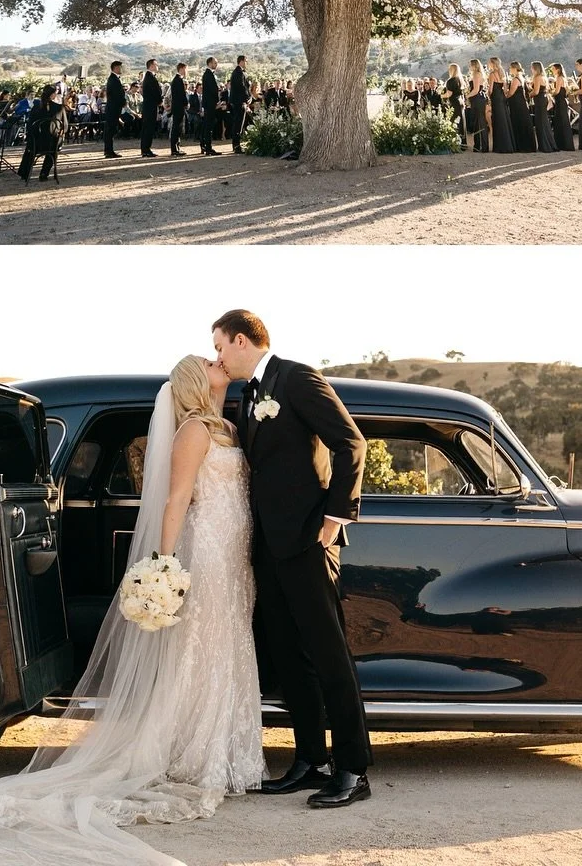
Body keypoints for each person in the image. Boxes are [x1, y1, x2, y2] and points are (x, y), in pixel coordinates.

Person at [0, 355, 264, 866]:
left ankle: (224, 750)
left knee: (228, 641)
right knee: (203, 645)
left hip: (234, 548)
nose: (220, 362)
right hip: (208, 549)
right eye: (210, 361)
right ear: (196, 382)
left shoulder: (226, 427)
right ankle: (196, 754)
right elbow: (176, 501)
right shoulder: (193, 431)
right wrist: (166, 563)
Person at [213, 309, 371, 808]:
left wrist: (334, 519)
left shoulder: (297, 377)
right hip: (269, 546)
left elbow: (351, 443)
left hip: (308, 541)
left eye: (220, 346)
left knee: (329, 656)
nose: (217, 355)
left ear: (241, 340)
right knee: (288, 655)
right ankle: (310, 760)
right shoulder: (248, 394)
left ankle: (351, 768)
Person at [17, 84, 66, 184]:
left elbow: (30, 126)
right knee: (55, 144)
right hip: (52, 143)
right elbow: (64, 126)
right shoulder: (59, 108)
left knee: (30, 148)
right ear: (53, 95)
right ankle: (44, 173)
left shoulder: (35, 108)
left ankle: (24, 173)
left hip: (36, 143)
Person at [505, 62, 535, 151]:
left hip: (517, 104)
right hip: (520, 102)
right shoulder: (521, 77)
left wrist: (504, 96)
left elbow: (511, 93)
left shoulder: (515, 79)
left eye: (510, 68)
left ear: (514, 68)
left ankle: (522, 145)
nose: (509, 69)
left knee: (518, 122)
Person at [486, 57, 514, 153]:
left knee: (497, 120)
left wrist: (488, 96)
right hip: (502, 97)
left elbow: (490, 89)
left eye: (489, 63)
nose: (488, 64)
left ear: (493, 63)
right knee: (504, 118)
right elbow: (505, 89)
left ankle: (500, 145)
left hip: (496, 97)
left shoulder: (492, 74)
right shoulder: (503, 73)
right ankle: (508, 143)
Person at [529, 63, 556, 151]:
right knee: (543, 121)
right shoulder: (543, 77)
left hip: (539, 100)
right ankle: (548, 143)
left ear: (535, 68)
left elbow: (536, 92)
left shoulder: (537, 77)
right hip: (543, 99)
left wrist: (529, 94)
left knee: (540, 122)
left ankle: (545, 145)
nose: (531, 69)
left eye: (532, 68)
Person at [549, 64, 577, 151]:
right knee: (563, 122)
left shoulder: (559, 78)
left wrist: (550, 93)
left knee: (561, 122)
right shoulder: (563, 78)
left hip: (560, 102)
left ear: (557, 69)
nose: (552, 70)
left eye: (553, 69)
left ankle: (562, 144)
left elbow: (557, 91)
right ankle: (565, 143)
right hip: (562, 102)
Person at [139, 59, 163, 158]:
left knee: (148, 128)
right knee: (148, 128)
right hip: (150, 106)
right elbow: (155, 92)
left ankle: (145, 149)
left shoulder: (149, 77)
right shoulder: (149, 77)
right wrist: (159, 101)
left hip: (150, 106)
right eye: (156, 64)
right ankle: (146, 149)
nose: (157, 66)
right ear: (152, 66)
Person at [228, 56, 252, 153]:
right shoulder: (238, 73)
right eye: (246, 61)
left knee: (239, 124)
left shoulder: (239, 72)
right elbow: (242, 87)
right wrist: (247, 98)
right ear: (241, 61)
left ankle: (237, 145)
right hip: (239, 102)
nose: (247, 63)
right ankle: (236, 146)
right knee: (238, 124)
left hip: (239, 101)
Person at [465, 59, 489, 152]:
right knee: (479, 122)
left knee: (479, 122)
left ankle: (481, 146)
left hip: (477, 99)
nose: (469, 67)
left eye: (470, 65)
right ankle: (480, 145)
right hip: (479, 99)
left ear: (474, 65)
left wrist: (467, 96)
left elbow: (476, 90)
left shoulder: (476, 74)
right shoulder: (480, 74)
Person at [103, 60, 125, 158]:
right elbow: (117, 95)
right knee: (110, 130)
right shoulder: (113, 79)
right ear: (115, 68)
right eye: (120, 67)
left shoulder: (114, 79)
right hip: (113, 109)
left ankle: (109, 150)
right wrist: (123, 102)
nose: (121, 69)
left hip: (114, 108)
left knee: (111, 130)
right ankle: (109, 151)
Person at [200, 56, 221, 155]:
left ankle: (204, 146)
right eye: (214, 63)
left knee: (207, 126)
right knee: (209, 126)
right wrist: (217, 101)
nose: (216, 65)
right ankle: (208, 147)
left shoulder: (208, 74)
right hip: (210, 104)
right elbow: (213, 90)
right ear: (209, 63)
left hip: (209, 103)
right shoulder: (208, 74)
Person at [443, 63, 466, 147]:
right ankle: (462, 142)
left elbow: (449, 94)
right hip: (460, 102)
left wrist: (441, 95)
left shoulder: (450, 81)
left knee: (454, 121)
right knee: (461, 122)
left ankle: (455, 142)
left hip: (454, 103)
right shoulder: (460, 80)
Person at [169, 63, 189, 156]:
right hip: (178, 107)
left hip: (177, 107)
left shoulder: (177, 80)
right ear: (181, 69)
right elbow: (181, 95)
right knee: (176, 128)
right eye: (186, 69)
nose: (186, 71)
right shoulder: (178, 80)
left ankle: (177, 147)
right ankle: (174, 149)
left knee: (178, 127)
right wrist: (186, 103)